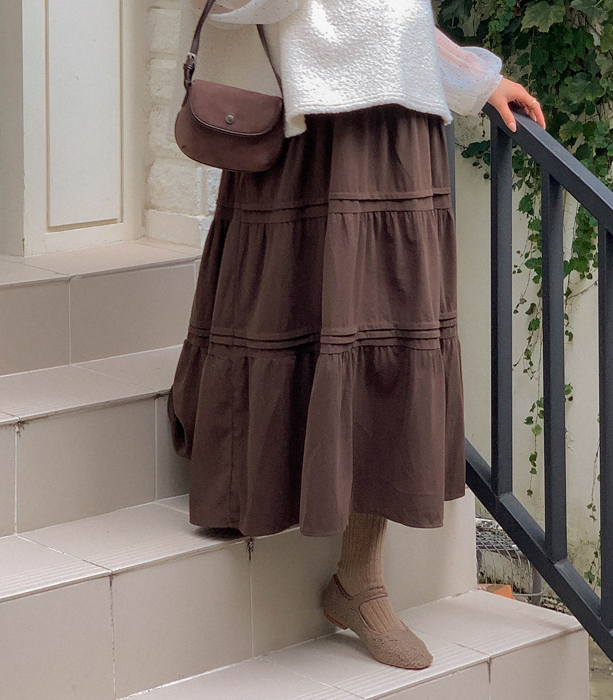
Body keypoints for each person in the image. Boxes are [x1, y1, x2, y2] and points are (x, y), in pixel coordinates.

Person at [166, 0, 546, 671]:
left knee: (388, 341)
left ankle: (359, 578)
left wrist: (475, 78)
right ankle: (241, 477)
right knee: (277, 319)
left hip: (399, 131)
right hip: (305, 129)